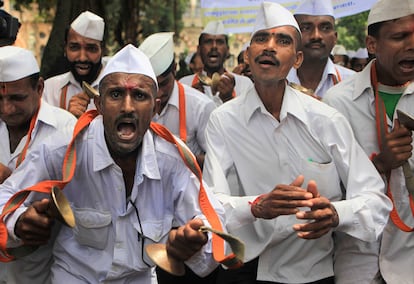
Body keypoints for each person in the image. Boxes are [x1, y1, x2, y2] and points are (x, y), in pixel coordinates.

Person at [0, 43, 225, 283]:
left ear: (155, 108)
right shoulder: (63, 149)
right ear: (98, 105)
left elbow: (214, 224)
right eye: (116, 94)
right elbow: (5, 196)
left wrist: (196, 242)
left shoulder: (173, 160)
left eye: (139, 96)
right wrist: (19, 222)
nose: (127, 107)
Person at [202, 2, 392, 283]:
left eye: (282, 40)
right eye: (261, 38)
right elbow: (210, 204)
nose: (269, 46)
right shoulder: (223, 120)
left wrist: (335, 214)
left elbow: (375, 200)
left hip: (313, 270)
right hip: (246, 269)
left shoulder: (326, 120)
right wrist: (256, 206)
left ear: (297, 59)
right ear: (248, 54)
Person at [324, 0, 414, 283]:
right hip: (359, 260)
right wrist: (381, 164)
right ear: (372, 44)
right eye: (400, 37)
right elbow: (329, 190)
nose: (412, 45)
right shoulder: (337, 103)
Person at [0, 46, 76, 283]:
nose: (6, 109)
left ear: (40, 88)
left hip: (42, 267)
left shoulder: (66, 129)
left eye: (16, 98)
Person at [139, 32, 216, 168]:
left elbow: (216, 159)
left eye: (163, 84)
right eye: (152, 87)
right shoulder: (133, 104)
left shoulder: (200, 106)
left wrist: (180, 161)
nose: (159, 93)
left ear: (174, 69)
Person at [42, 11, 105, 118]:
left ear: (102, 50)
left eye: (91, 49)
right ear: (65, 49)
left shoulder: (117, 88)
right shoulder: (50, 90)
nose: (82, 58)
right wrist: (67, 119)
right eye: (74, 47)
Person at [287, 0, 354, 99]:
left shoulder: (353, 83)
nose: (316, 36)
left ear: (335, 38)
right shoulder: (275, 81)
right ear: (293, 36)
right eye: (306, 28)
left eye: (325, 28)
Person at [180, 20, 253, 106]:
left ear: (227, 51)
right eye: (208, 42)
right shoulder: (185, 85)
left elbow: (248, 118)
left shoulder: (244, 84)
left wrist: (228, 99)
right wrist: (192, 103)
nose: (214, 47)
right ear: (199, 50)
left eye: (219, 42)